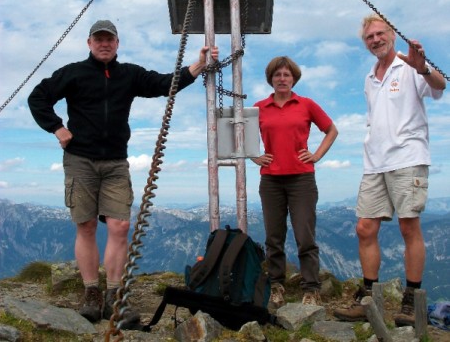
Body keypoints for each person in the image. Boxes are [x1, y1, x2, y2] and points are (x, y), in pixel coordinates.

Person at [28, 19, 218, 326]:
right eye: (98, 39)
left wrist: (198, 64)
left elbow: (164, 84)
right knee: (86, 225)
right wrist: (57, 127)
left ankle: (115, 296)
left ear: (117, 43)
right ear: (89, 43)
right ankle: (92, 293)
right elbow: (38, 97)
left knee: (119, 226)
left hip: (116, 161)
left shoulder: (129, 74)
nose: (104, 44)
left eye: (110, 39)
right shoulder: (73, 72)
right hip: (80, 159)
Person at [334, 14, 446, 326]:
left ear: (392, 35)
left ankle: (410, 301)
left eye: (380, 33)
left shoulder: (409, 66)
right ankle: (368, 300)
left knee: (409, 227)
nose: (375, 40)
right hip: (375, 162)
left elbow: (440, 85)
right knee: (364, 228)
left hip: (408, 157)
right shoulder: (370, 77)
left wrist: (421, 66)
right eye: (369, 37)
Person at [252, 56, 338, 308]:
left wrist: (317, 155)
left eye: (286, 75)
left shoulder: (307, 104)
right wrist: (253, 154)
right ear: (271, 79)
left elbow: (332, 130)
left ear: (294, 78)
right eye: (277, 75)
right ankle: (276, 285)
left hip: (302, 178)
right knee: (273, 236)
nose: (282, 79)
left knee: (305, 234)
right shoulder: (259, 107)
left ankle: (311, 288)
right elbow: (238, 132)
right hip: (270, 181)